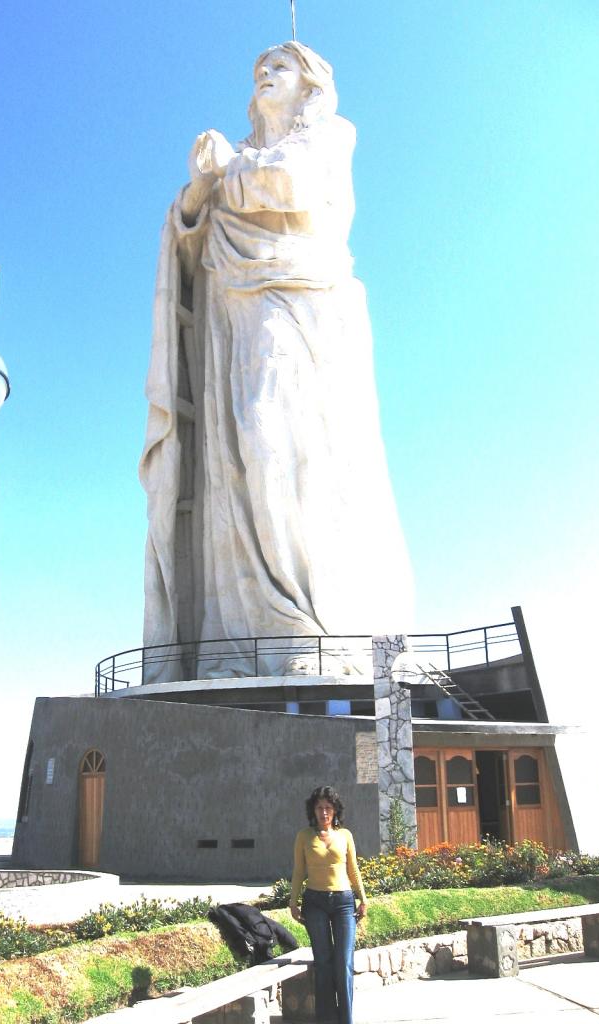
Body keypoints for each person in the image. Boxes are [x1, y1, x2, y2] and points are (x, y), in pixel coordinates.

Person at [140, 42, 413, 681]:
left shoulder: (330, 135)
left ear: (310, 84)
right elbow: (189, 237)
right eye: (259, 68)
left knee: (280, 448)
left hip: (296, 303)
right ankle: (239, 638)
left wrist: (224, 170)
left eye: (280, 66)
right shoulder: (235, 155)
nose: (265, 73)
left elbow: (292, 184)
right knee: (229, 469)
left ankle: (309, 627)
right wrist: (196, 194)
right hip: (227, 324)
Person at [289, 785, 367, 1024]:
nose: (324, 812)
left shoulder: (345, 835)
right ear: (313, 810)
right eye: (319, 808)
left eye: (328, 808)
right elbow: (299, 871)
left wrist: (363, 899)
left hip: (343, 901)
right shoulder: (304, 836)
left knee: (344, 962)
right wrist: (293, 902)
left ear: (335, 811)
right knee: (323, 962)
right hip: (315, 902)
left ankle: (346, 1019)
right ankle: (327, 1019)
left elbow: (353, 869)